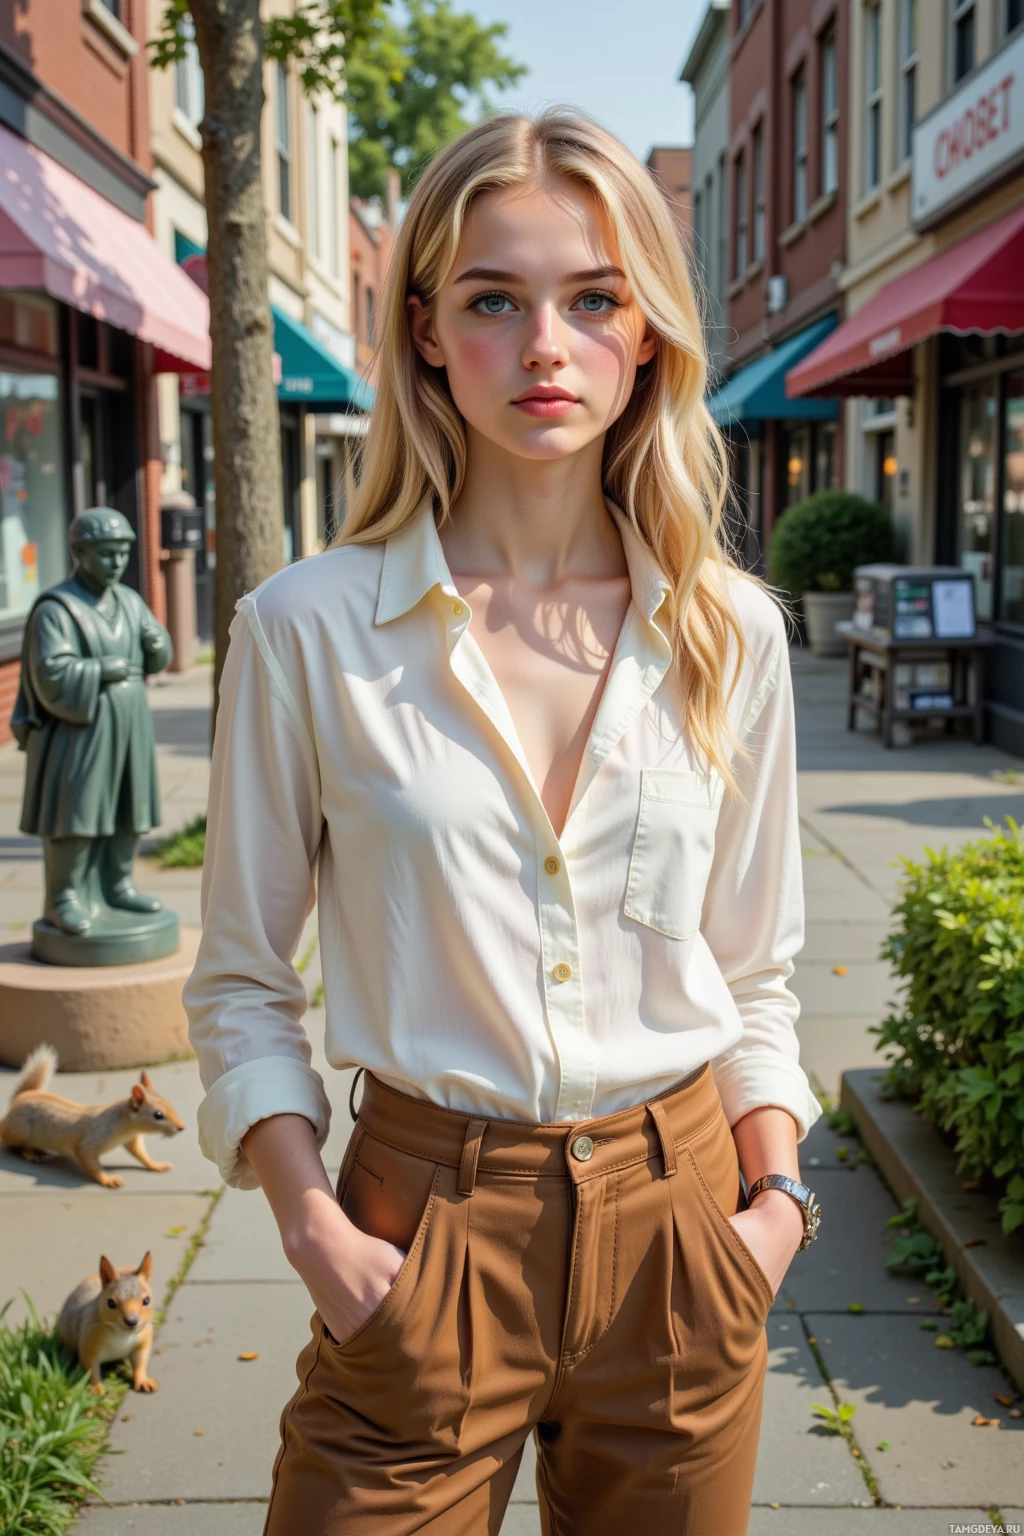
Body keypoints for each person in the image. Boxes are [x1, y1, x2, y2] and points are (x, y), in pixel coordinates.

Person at [182, 109, 823, 1536]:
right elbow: (240, 981)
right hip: (420, 1228)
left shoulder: (729, 635)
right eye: (495, 300)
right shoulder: (307, 632)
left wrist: (773, 1213)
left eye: (593, 298)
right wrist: (315, 1231)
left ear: (646, 331)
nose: (547, 345)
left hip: (684, 1231)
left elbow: (755, 973)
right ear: (425, 331)